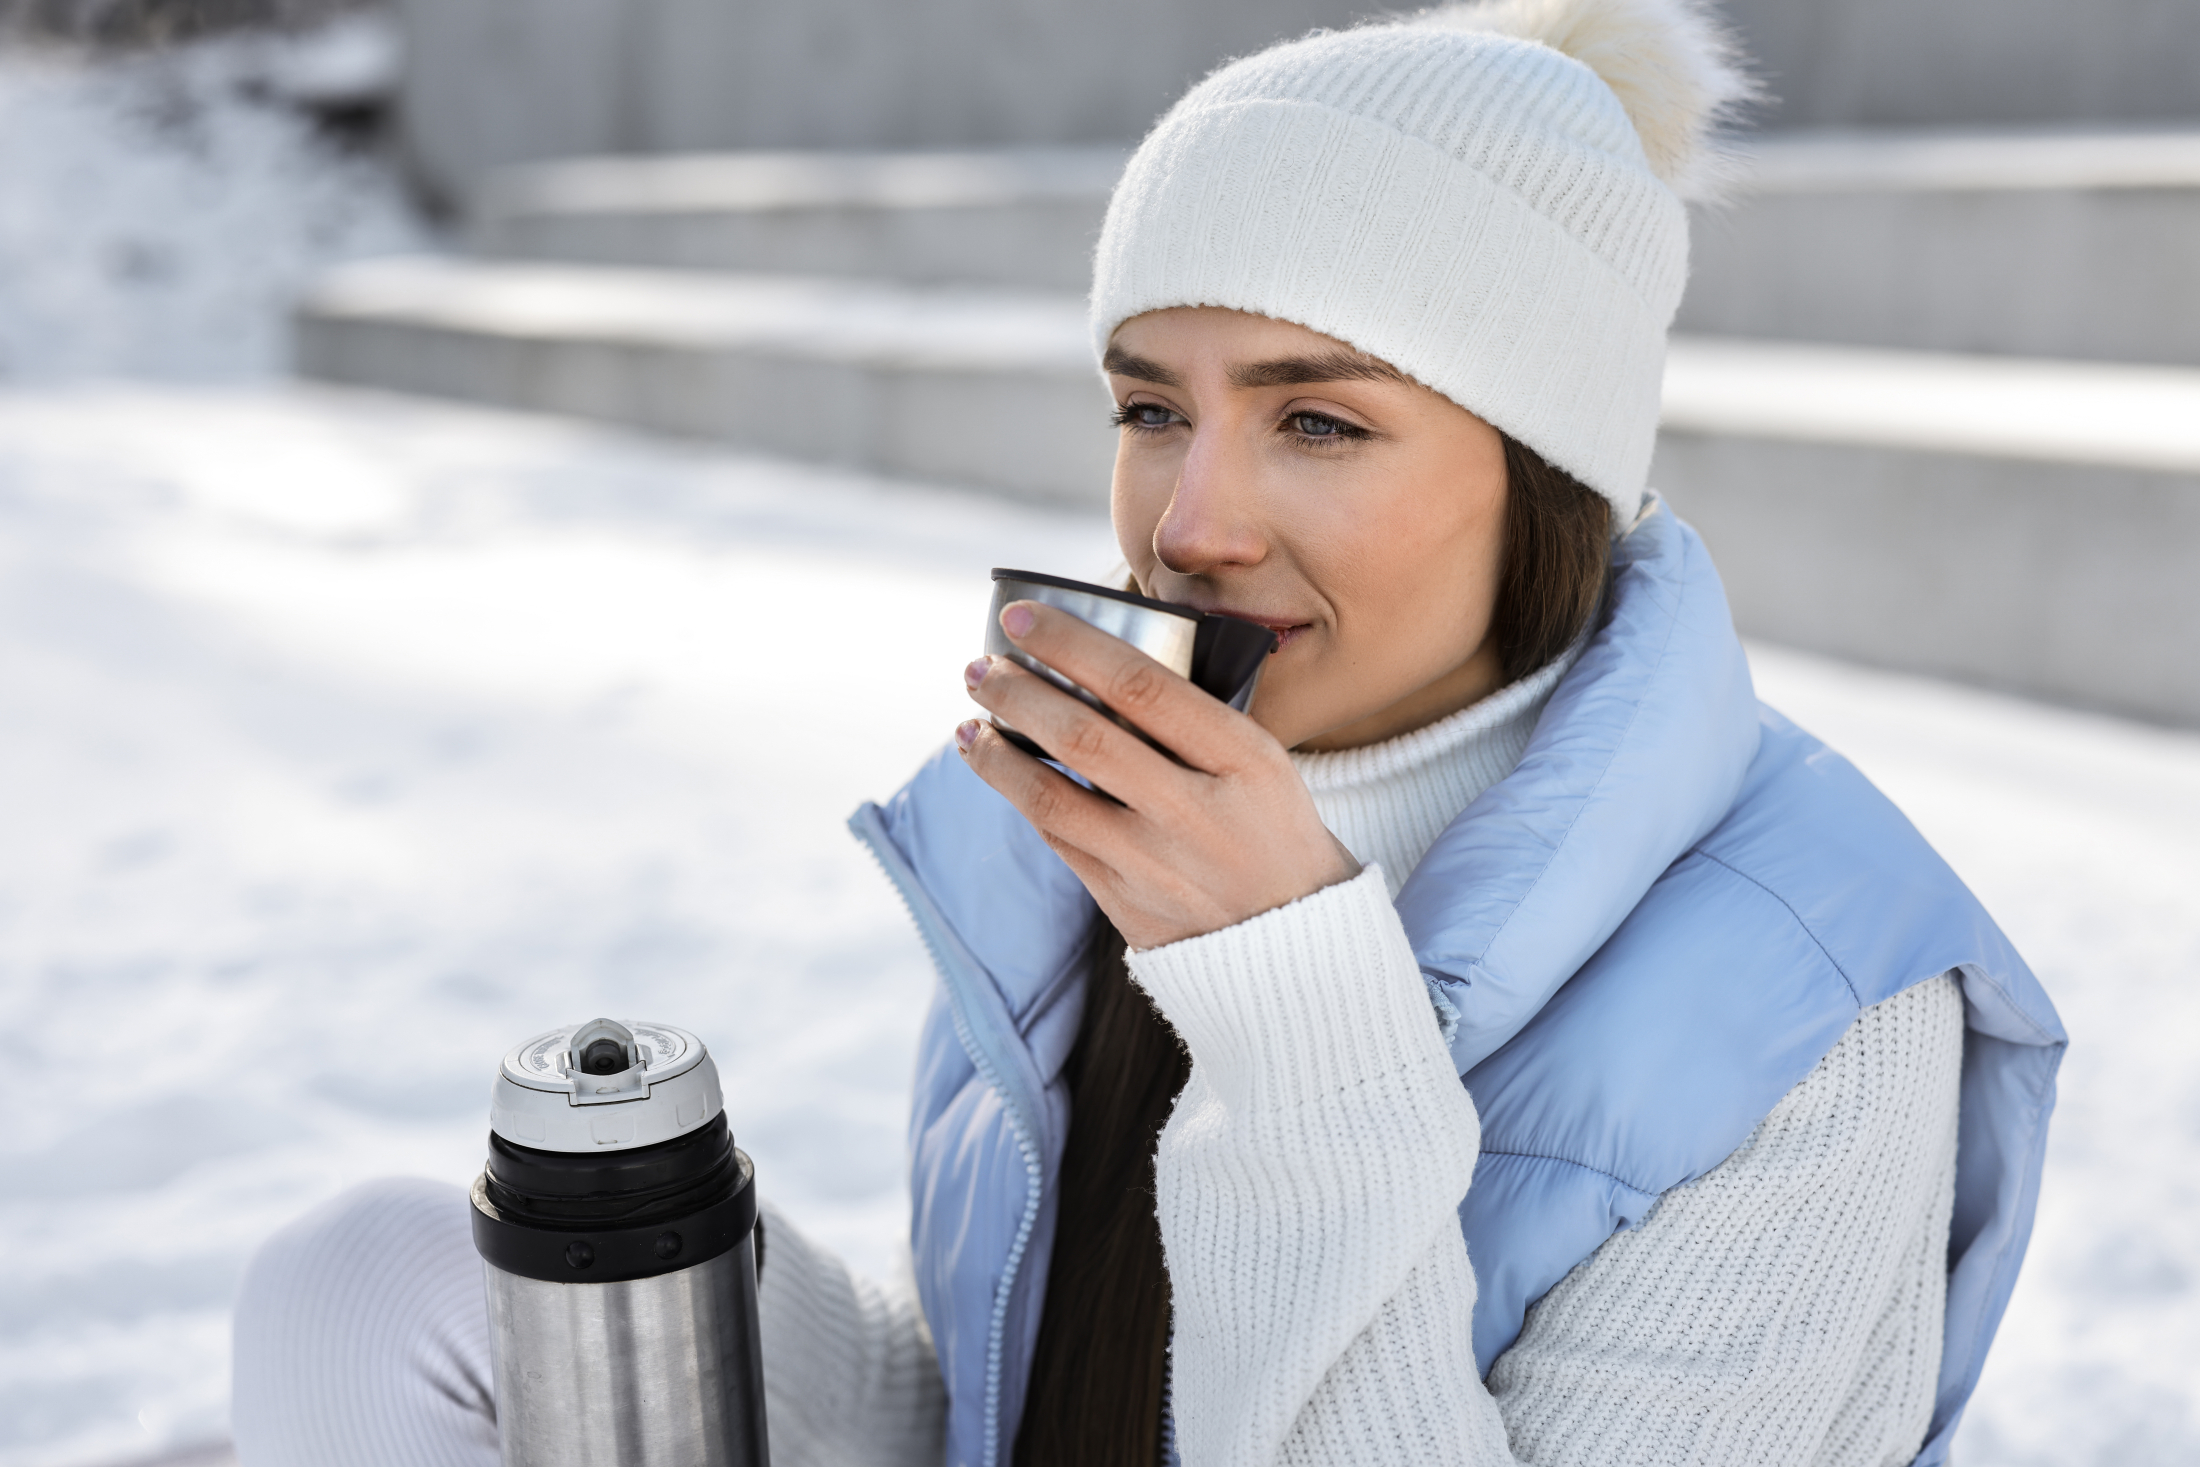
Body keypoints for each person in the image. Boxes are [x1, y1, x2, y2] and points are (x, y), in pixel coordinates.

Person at [230, 2, 2066, 1464]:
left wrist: (1296, 1006)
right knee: (377, 1283)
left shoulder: (1821, 1018)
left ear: (1548, 469)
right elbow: (1004, 1398)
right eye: (1145, 406)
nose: (1188, 526)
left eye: (1318, 423)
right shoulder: (1133, 811)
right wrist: (661, 1255)